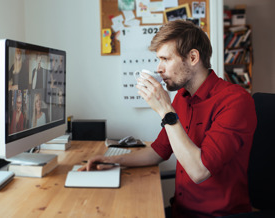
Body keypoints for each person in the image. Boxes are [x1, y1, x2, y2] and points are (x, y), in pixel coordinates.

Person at [79, 20, 257, 218]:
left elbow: (200, 171)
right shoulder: (182, 96)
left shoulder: (236, 101)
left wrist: (165, 110)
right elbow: (157, 152)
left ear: (192, 57)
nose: (159, 68)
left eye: (165, 59)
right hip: (179, 210)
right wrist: (111, 161)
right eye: (158, 59)